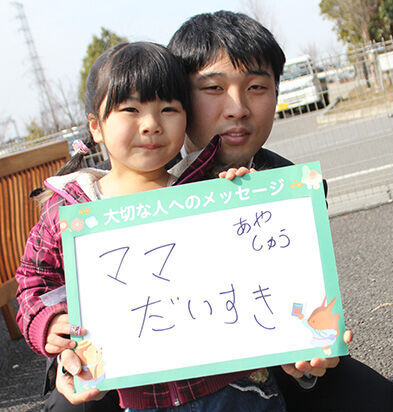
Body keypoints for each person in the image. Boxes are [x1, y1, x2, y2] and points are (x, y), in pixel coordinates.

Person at [167, 10, 393, 411]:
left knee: (388, 404)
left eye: (256, 87)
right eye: (213, 88)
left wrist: (310, 361)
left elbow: (299, 306)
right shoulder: (134, 191)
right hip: (167, 383)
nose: (237, 108)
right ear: (178, 95)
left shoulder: (292, 191)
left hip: (270, 368)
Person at [16, 41, 281, 412]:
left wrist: (241, 197)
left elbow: (260, 262)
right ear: (95, 126)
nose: (152, 125)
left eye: (168, 109)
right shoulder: (71, 209)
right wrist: (47, 322)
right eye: (131, 110)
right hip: (143, 397)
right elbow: (34, 282)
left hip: (238, 387)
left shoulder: (207, 188)